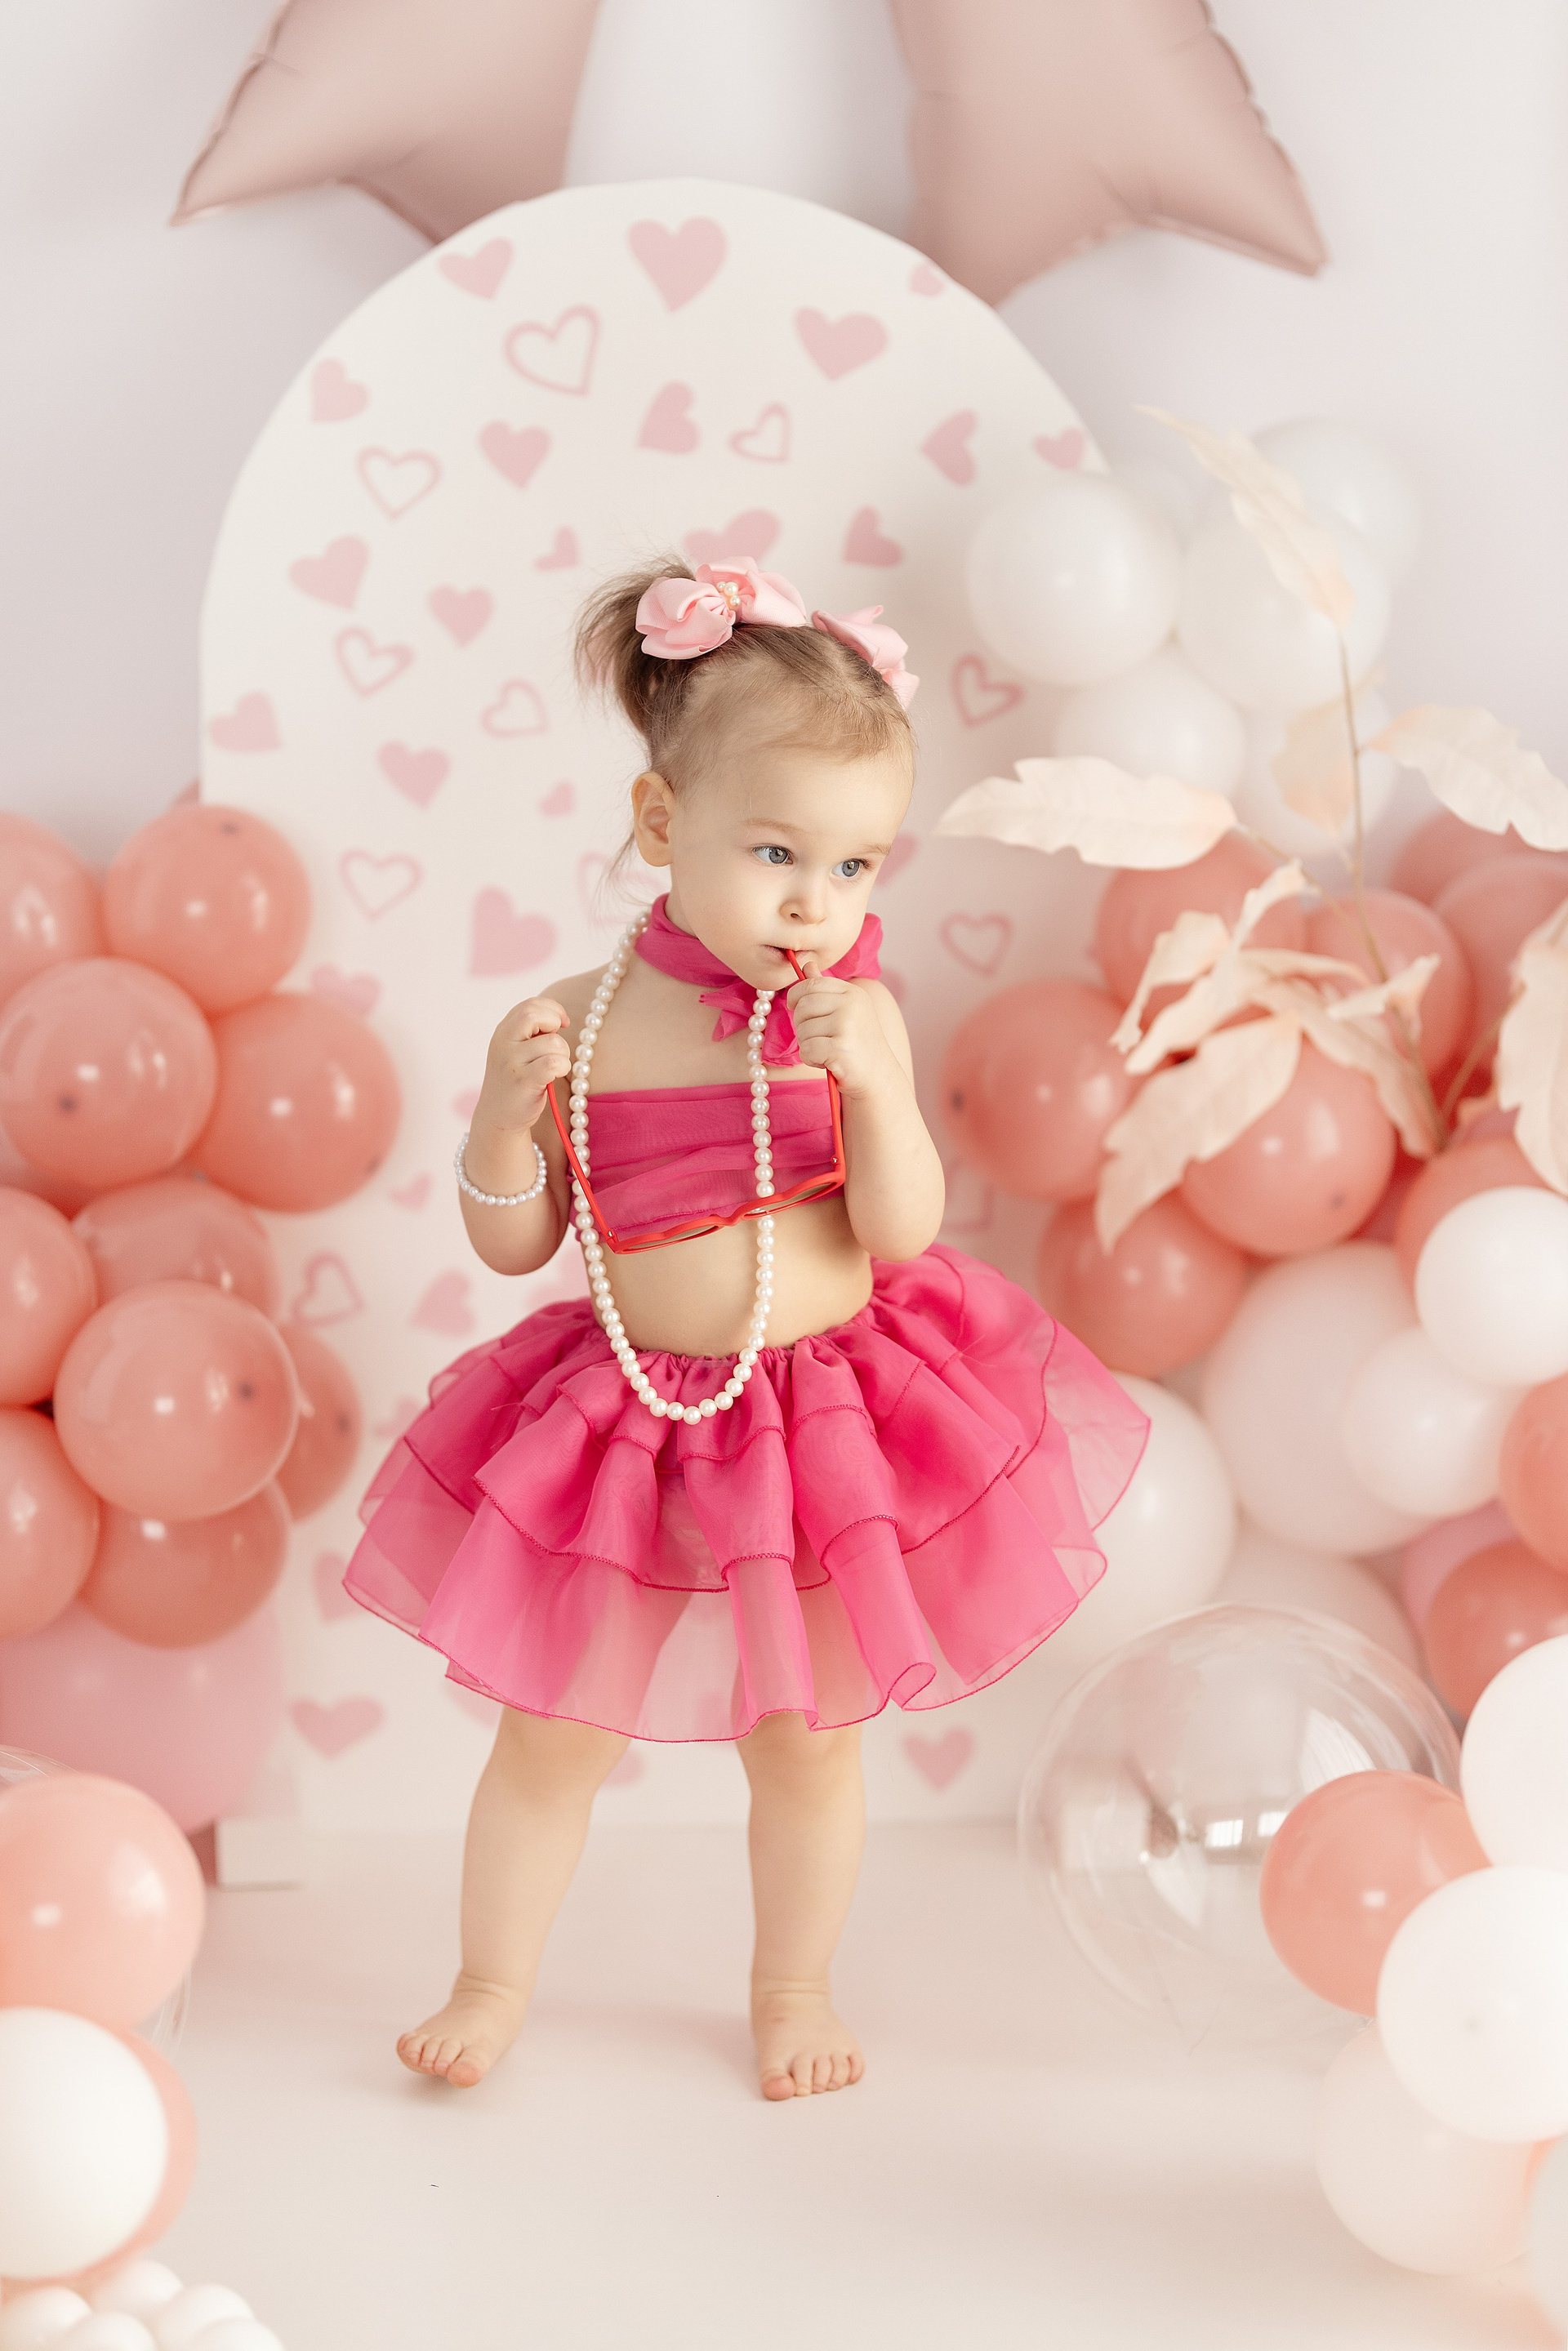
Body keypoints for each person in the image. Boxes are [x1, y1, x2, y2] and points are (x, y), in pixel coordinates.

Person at [344, 556, 1149, 2100]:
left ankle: (793, 1988)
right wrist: (503, 1122)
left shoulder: (857, 1015)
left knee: (807, 1734)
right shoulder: (580, 1020)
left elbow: (900, 1229)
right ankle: (487, 1981)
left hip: (824, 1416)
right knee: (553, 1728)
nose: (814, 904)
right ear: (662, 824)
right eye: (776, 852)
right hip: (635, 1418)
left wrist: (878, 1089)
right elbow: (519, 1243)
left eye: (856, 866)